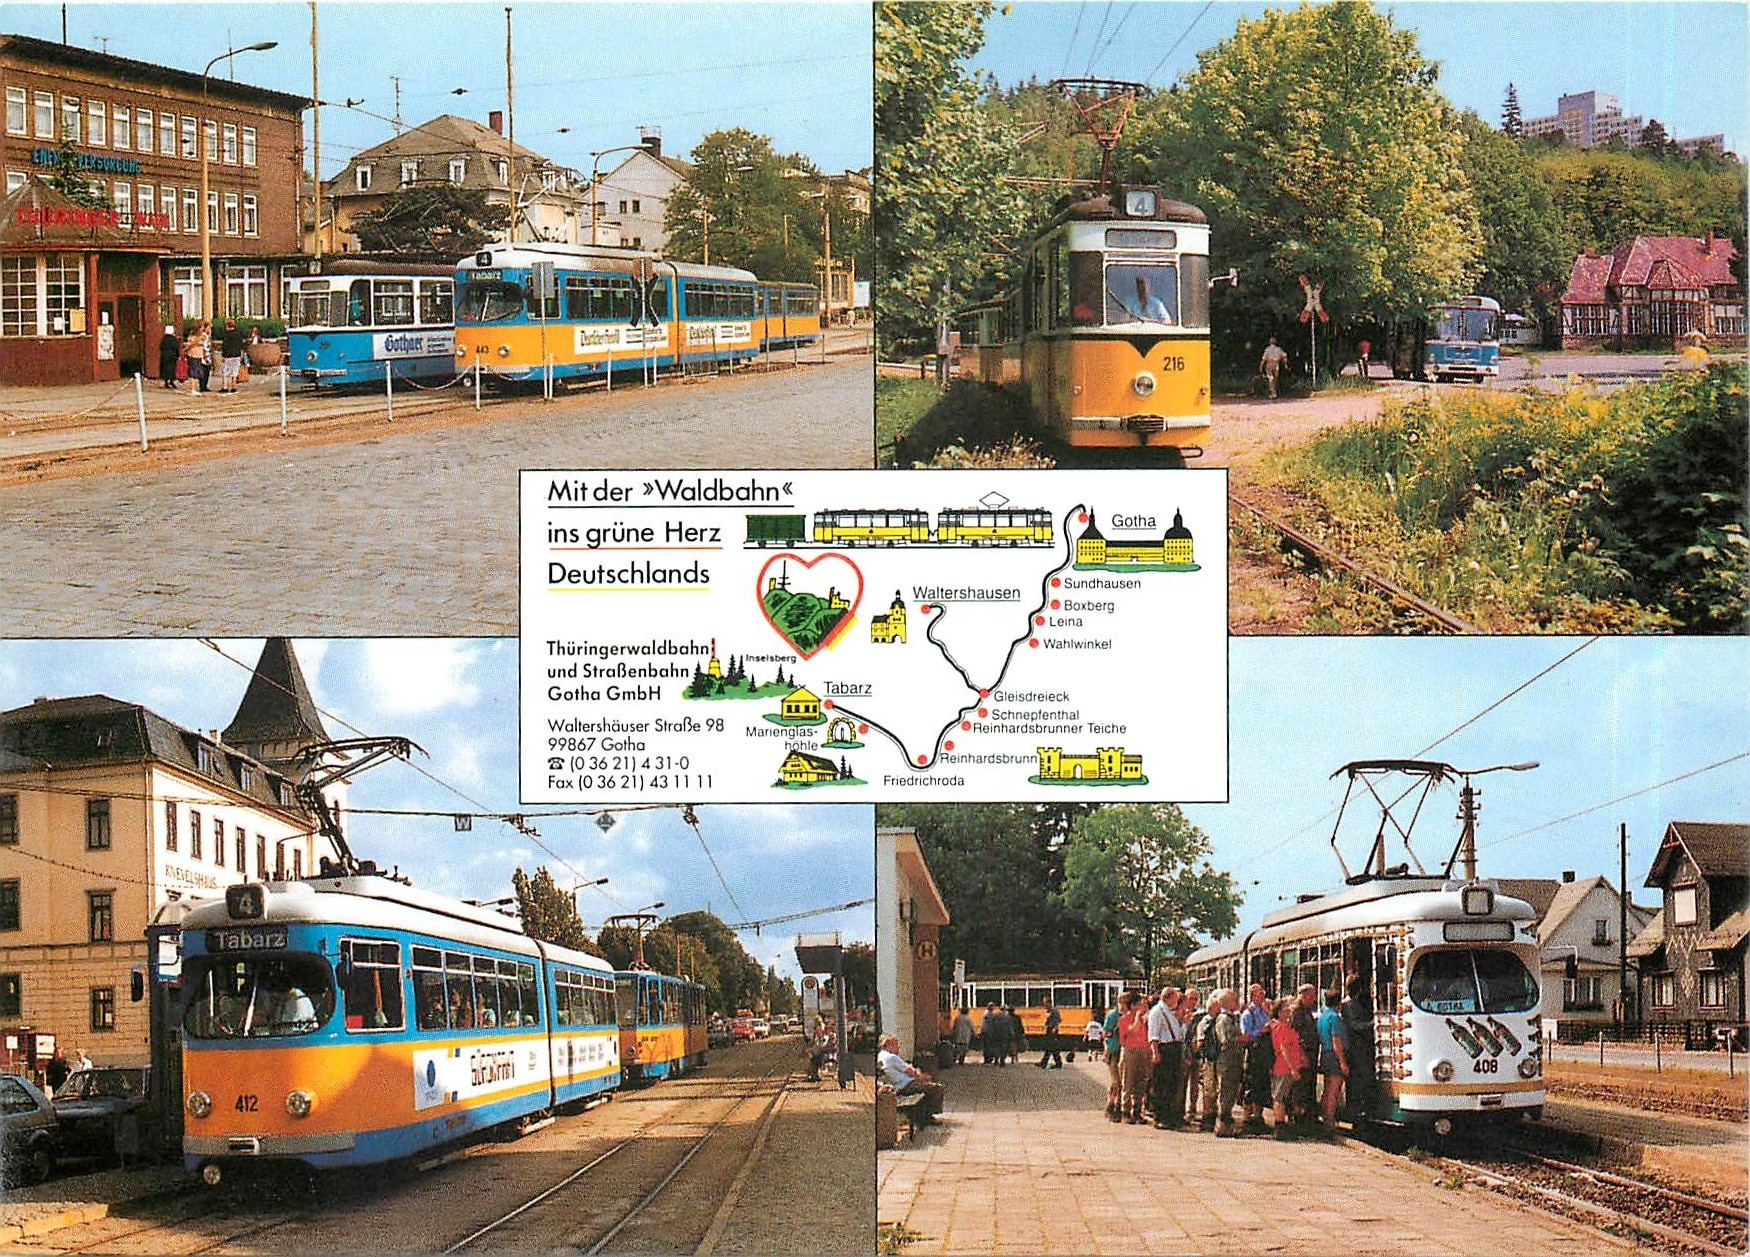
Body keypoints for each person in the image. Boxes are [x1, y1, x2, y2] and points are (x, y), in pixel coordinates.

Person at [878, 1034, 944, 1123]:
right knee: (936, 1088)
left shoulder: (881, 1055)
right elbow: (911, 1071)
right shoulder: (892, 1057)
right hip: (905, 1085)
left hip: (896, 1086)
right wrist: (923, 1077)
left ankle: (922, 1114)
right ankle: (928, 1117)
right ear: (889, 1045)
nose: (899, 1047)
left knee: (927, 1086)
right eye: (896, 1045)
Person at [1146, 984, 1184, 1129]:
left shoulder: (1169, 1011)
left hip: (1173, 1048)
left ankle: (1169, 1116)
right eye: (1175, 997)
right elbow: (1153, 1034)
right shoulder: (1157, 1012)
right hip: (1164, 1049)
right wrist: (1155, 1052)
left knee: (1171, 1084)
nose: (1177, 1000)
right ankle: (1160, 1116)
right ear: (1169, 997)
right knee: (1161, 1084)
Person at [1267, 998, 1306, 1140]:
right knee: (1280, 1097)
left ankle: (1281, 1126)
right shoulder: (1282, 1027)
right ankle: (1280, 1127)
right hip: (1284, 1066)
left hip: (1283, 1066)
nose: (1289, 1012)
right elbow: (1284, 1049)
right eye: (1286, 1010)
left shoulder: (1276, 1025)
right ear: (1279, 1012)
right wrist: (1293, 1068)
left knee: (1281, 1096)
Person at [1239, 983, 1274, 1134]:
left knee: (1262, 1085)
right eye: (1259, 994)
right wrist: (1260, 1031)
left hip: (1264, 1053)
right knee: (1251, 1084)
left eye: (1263, 993)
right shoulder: (1249, 1013)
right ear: (1252, 996)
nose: (1263, 996)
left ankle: (1258, 1116)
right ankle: (1247, 1117)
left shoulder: (1264, 1011)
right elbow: (1245, 1036)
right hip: (1254, 1052)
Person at [1211, 989, 1247, 1137]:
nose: (1238, 1001)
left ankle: (1226, 1124)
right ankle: (1222, 1125)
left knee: (1232, 1091)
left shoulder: (1233, 1018)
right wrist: (1242, 1039)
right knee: (1226, 1090)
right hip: (1227, 1060)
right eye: (1235, 999)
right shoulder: (1224, 1019)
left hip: (1234, 1059)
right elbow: (1226, 1040)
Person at [1340, 974, 1375, 1123]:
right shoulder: (1348, 1005)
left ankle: (1361, 1111)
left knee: (1361, 1080)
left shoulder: (1354, 1003)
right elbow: (1353, 1025)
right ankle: (1355, 1113)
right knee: (1357, 1081)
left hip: (1359, 1047)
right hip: (1355, 1048)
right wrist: (1371, 1024)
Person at [1316, 989, 1350, 1135]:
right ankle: (1329, 1122)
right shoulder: (1335, 1018)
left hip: (1325, 1054)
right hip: (1334, 1056)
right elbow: (1336, 1041)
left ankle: (1325, 1117)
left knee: (1327, 1088)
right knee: (1334, 1090)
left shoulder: (1322, 1017)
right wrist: (1342, 1062)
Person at [1116, 991, 1151, 1124]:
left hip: (1142, 1050)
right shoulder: (1124, 1019)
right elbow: (1133, 1030)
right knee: (1128, 1081)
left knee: (1140, 1082)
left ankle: (1137, 1110)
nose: (1140, 1007)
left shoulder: (1144, 1018)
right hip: (1129, 1051)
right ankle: (1126, 1111)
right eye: (1137, 1004)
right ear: (1131, 1005)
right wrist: (1137, 1017)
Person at [1290, 983, 1321, 1132]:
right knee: (1300, 1088)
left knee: (1307, 1086)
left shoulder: (1306, 1010)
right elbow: (1295, 1036)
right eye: (1311, 995)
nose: (1314, 999)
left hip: (1310, 1053)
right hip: (1302, 1055)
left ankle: (1306, 1119)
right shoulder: (1296, 1011)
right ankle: (1298, 1121)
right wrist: (1302, 1055)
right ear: (1302, 995)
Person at [1178, 988, 1206, 1124]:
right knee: (1182, 1083)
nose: (1193, 1002)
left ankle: (1193, 1109)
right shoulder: (1180, 1013)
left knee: (1195, 1084)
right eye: (1191, 998)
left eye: (1196, 999)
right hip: (1184, 1052)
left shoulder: (1200, 1014)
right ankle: (1180, 1109)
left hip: (1196, 1053)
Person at [1102, 998, 1124, 1121]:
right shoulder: (1112, 1015)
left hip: (1123, 1050)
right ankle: (1111, 1106)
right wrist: (1117, 1028)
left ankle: (1117, 1106)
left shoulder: (1127, 1015)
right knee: (1116, 1081)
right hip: (1113, 1051)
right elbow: (1105, 1033)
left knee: (1121, 1081)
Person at [218, 319, 246, 393]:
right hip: (236, 355)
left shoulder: (226, 334)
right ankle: (234, 386)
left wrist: (223, 355)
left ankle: (225, 387)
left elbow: (225, 346)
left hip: (228, 355)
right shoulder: (238, 334)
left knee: (225, 371)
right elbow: (241, 345)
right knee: (234, 371)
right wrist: (241, 354)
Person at [1037, 996, 1063, 1069]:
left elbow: (1058, 1020)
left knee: (1051, 1047)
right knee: (1050, 1047)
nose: (1043, 1004)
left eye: (1045, 1003)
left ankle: (1048, 1063)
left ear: (1049, 1003)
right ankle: (1046, 1063)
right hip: (1049, 1030)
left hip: (1052, 1030)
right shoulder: (1049, 1011)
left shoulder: (1054, 1010)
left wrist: (1054, 1029)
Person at [182, 326, 206, 397]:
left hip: (198, 355)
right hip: (193, 355)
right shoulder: (194, 337)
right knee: (193, 372)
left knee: (195, 372)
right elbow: (191, 345)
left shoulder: (200, 337)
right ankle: (192, 389)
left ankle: (193, 388)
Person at [157, 324, 181, 389]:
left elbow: (161, 347)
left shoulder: (164, 339)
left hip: (164, 356)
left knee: (165, 369)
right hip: (172, 356)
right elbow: (176, 347)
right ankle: (171, 381)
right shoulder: (173, 339)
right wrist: (178, 355)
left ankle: (166, 381)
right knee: (172, 369)